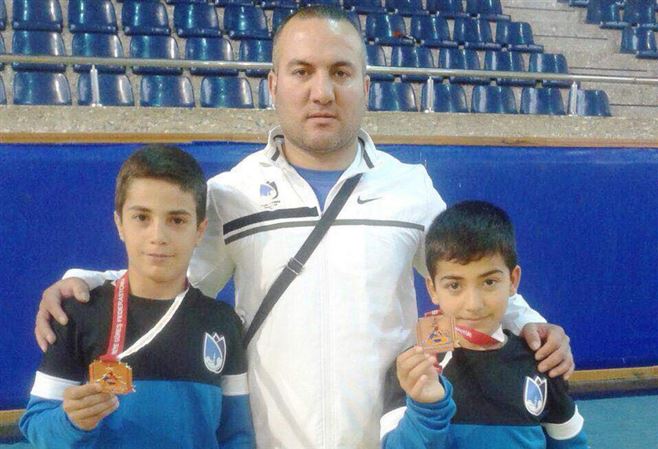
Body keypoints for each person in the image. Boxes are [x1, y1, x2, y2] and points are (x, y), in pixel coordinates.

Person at [34, 6, 574, 449]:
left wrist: (531, 323)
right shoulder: (233, 193)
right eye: (302, 71)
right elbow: (169, 276)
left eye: (340, 72)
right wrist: (88, 281)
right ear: (273, 83)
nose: (322, 92)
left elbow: (468, 269)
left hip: (387, 438)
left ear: (365, 84)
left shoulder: (409, 189)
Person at [20, 145, 255, 449]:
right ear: (120, 224)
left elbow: (236, 436)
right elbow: (35, 423)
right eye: (142, 217)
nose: (158, 236)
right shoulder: (78, 314)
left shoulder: (222, 323)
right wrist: (71, 422)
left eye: (177, 220)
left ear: (199, 231)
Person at [381, 201, 588, 449]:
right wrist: (426, 409)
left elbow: (572, 445)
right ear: (433, 289)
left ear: (513, 281)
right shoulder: (411, 369)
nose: (473, 304)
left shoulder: (542, 362)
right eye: (454, 285)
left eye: (489, 282)